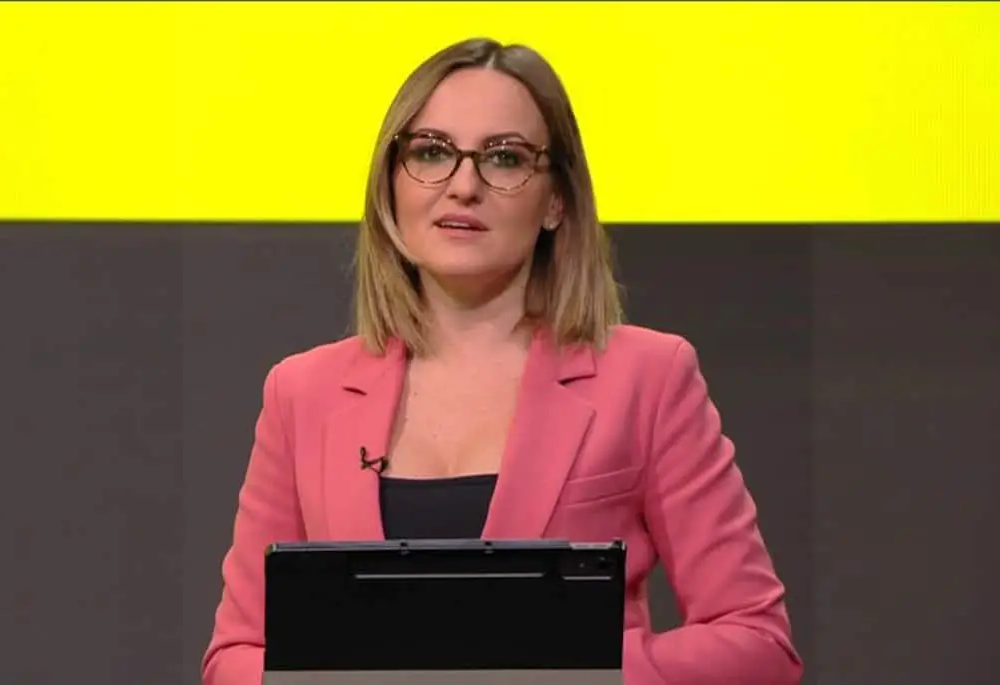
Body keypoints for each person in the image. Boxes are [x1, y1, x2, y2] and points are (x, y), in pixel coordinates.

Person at [202, 37, 802, 685]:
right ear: (391, 182)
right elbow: (236, 654)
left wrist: (566, 672)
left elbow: (757, 642)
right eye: (431, 151)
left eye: (505, 158)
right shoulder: (302, 392)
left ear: (555, 200)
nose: (464, 186)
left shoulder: (649, 378)